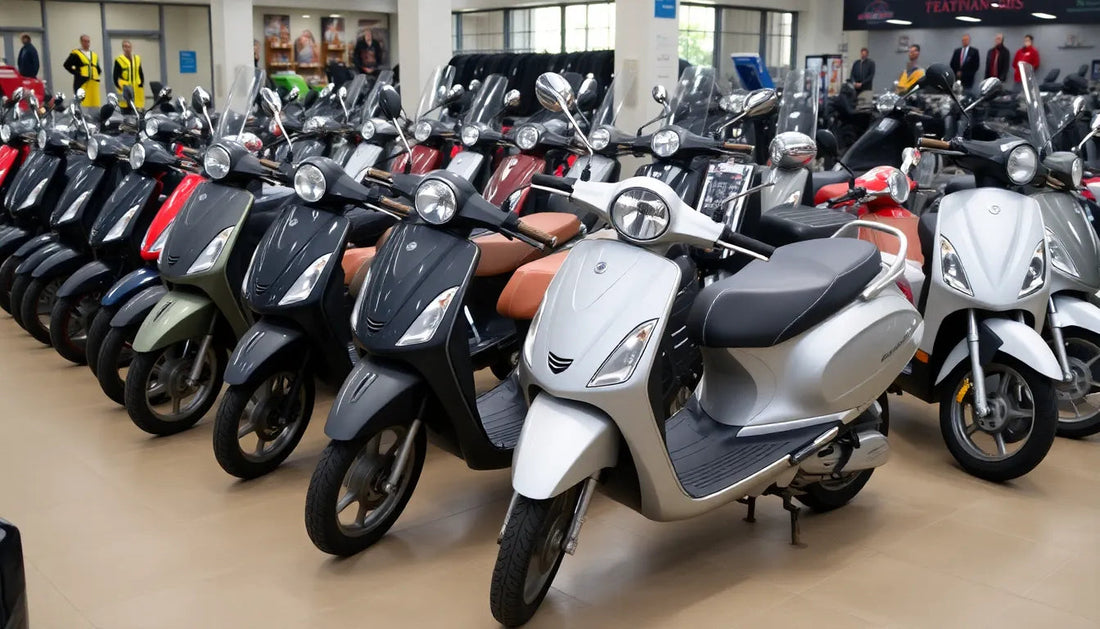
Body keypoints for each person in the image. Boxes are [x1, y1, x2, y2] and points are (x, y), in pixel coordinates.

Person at [62, 34, 101, 109]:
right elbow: (66, 65)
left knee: (95, 104)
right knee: (82, 103)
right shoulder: (76, 53)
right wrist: (77, 74)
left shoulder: (94, 55)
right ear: (81, 42)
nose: (87, 43)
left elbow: (98, 68)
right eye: (85, 41)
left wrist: (96, 74)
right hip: (82, 82)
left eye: (88, 41)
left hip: (94, 83)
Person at [112, 40, 145, 110]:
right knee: (125, 107)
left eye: (129, 47)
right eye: (125, 47)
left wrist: (141, 83)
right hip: (125, 87)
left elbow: (140, 72)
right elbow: (115, 75)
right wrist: (118, 86)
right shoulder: (119, 59)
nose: (127, 49)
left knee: (138, 107)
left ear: (131, 48)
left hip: (136, 87)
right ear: (123, 48)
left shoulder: (137, 58)